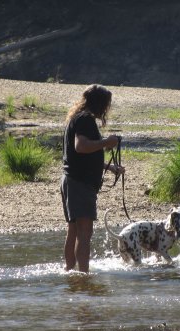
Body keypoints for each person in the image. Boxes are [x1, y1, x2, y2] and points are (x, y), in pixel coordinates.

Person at [61, 84, 124, 272]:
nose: (107, 109)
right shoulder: (85, 119)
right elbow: (81, 146)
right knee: (84, 233)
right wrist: (107, 142)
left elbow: (79, 155)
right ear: (99, 103)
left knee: (73, 230)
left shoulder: (77, 118)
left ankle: (70, 271)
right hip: (80, 183)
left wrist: (108, 167)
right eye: (106, 104)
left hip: (71, 180)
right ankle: (83, 276)